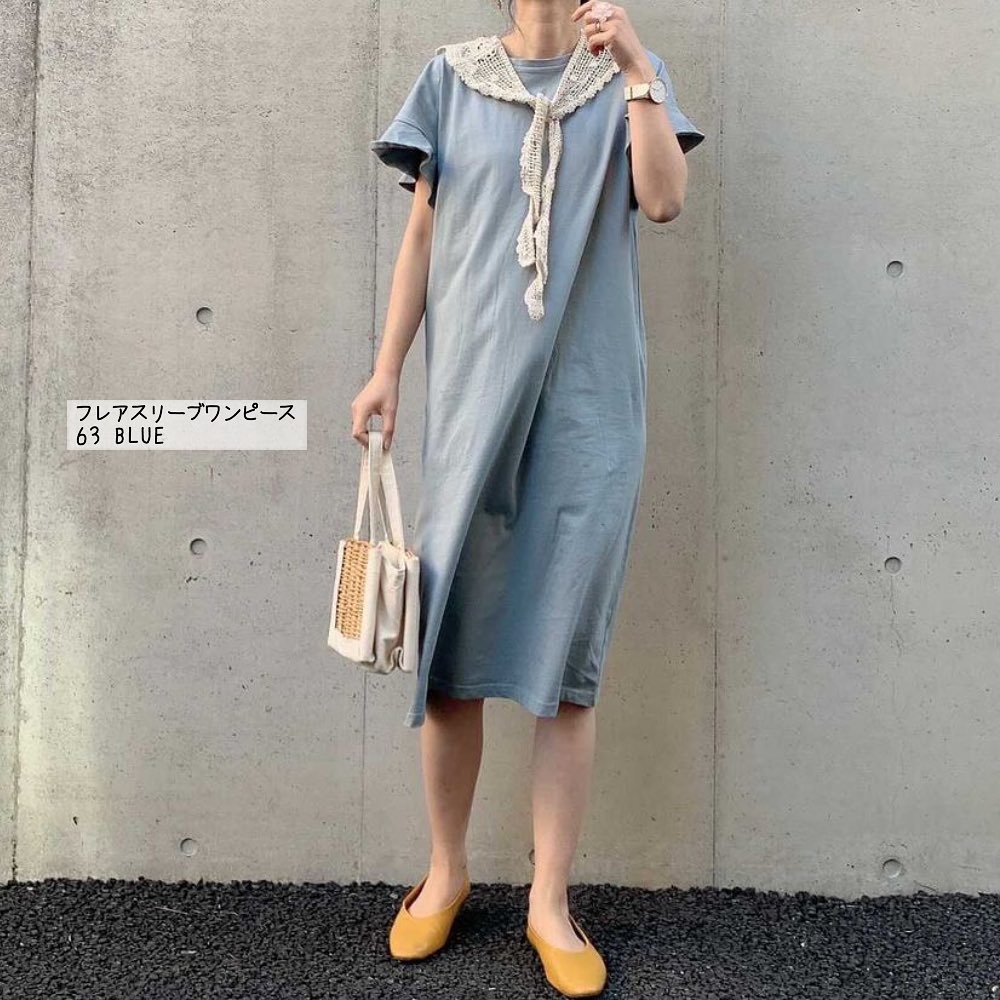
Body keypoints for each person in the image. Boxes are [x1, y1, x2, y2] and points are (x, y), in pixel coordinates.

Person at [353, 0, 704, 994]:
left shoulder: (628, 77)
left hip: (591, 412)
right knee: (450, 655)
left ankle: (550, 900)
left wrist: (636, 68)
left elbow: (663, 201)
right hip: (471, 402)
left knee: (565, 666)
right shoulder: (451, 78)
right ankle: (446, 871)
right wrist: (386, 370)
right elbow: (423, 235)